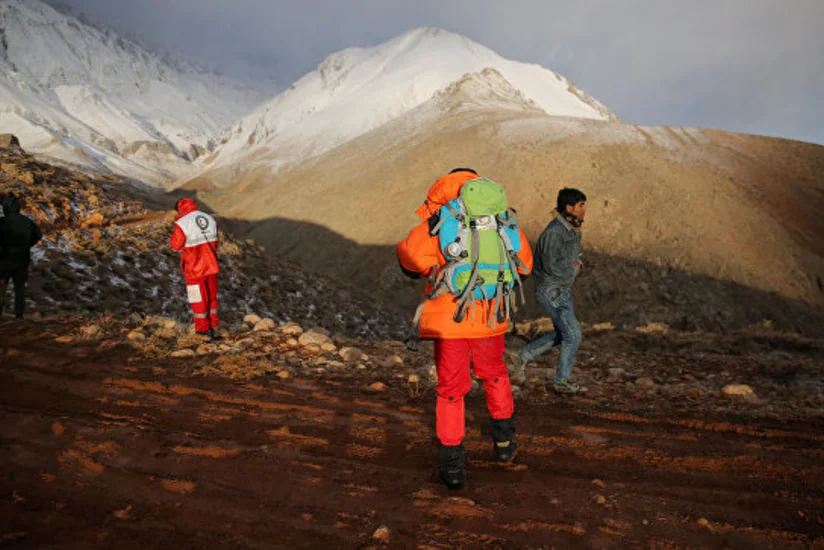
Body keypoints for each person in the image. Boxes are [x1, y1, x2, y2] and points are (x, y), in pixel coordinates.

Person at [397, 168, 534, 490]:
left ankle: (453, 464)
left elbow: (410, 262)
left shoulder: (442, 220)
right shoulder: (501, 219)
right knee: (495, 373)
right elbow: (524, 267)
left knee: (451, 391)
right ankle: (504, 443)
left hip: (451, 321)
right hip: (490, 316)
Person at [508, 188, 587, 394]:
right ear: (569, 208)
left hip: (561, 290)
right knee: (573, 335)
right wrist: (574, 270)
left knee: (564, 334)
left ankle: (522, 356)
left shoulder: (571, 228)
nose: (584, 210)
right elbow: (552, 266)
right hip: (551, 292)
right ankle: (561, 381)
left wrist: (576, 265)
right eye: (581, 205)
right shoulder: (554, 232)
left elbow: (573, 256)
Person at [169, 198, 220, 340]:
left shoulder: (182, 223)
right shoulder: (209, 218)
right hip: (211, 264)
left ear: (180, 209)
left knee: (198, 299)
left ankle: (203, 330)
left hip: (194, 267)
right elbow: (216, 241)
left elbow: (175, 245)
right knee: (211, 297)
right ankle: (213, 326)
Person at [0, 196, 42, 319]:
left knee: (2, 285)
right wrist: (27, 245)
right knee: (19, 288)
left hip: (5, 259)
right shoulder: (28, 222)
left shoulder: (3, 222)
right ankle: (19, 315)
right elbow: (38, 235)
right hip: (22, 259)